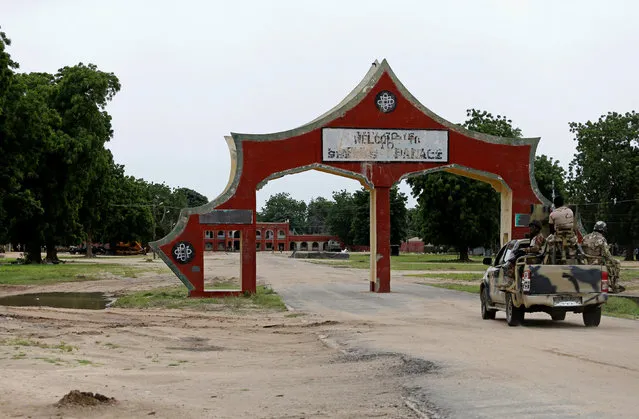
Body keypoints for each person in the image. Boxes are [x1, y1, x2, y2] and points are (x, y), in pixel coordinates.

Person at [582, 221, 623, 293]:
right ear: (603, 229)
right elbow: (607, 254)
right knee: (616, 263)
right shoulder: (601, 239)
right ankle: (615, 286)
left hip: (586, 261)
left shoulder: (585, 237)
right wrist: (613, 260)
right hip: (597, 262)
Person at [546, 196, 577, 262]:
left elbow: (551, 230)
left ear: (554, 204)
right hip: (570, 236)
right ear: (563, 203)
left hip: (558, 237)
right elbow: (573, 225)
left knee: (548, 241)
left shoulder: (552, 214)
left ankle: (550, 258)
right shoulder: (570, 211)